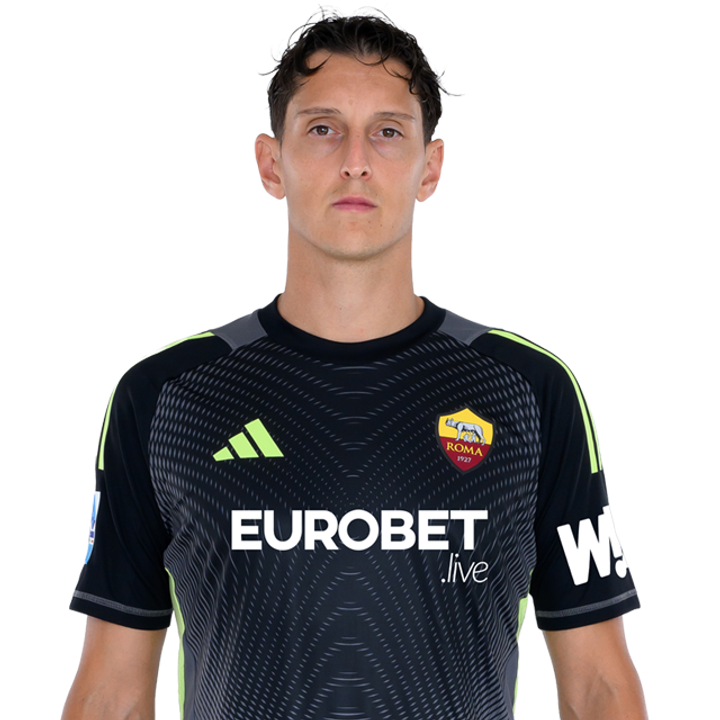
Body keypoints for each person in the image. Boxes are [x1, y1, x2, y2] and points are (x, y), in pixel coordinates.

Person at [62, 6, 648, 719]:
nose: (355, 160)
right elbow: (113, 693)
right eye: (322, 128)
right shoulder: (164, 397)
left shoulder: (531, 391)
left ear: (430, 168)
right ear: (270, 163)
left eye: (388, 131)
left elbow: (598, 686)